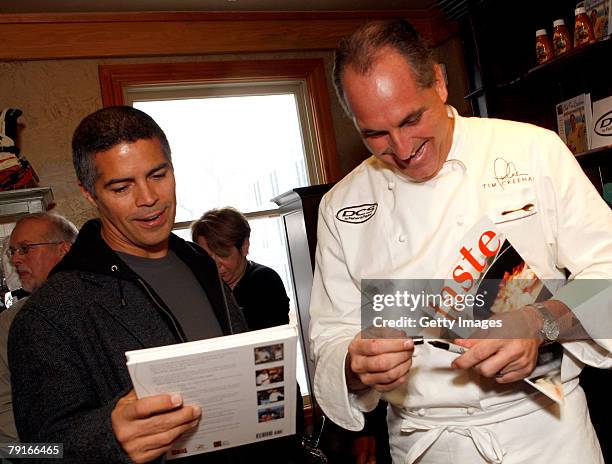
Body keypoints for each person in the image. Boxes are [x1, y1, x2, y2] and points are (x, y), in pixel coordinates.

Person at [309, 19, 612, 464]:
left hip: (546, 435)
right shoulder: (340, 207)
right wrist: (356, 365)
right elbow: (329, 338)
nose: (402, 146)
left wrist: (540, 322)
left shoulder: (533, 150)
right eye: (374, 133)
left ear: (439, 81)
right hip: (426, 443)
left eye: (411, 119)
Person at [8, 106, 249, 463]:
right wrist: (110, 436)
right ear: (90, 194)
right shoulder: (48, 314)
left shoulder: (200, 263)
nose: (148, 198)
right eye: (122, 187)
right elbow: (37, 451)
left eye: (158, 175)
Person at [0, 212, 77, 442]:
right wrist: (56, 453)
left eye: (25, 248)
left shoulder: (104, 305)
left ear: (64, 250)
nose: (15, 260)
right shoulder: (9, 323)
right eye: (12, 251)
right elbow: (4, 408)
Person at [191, 207, 289, 330]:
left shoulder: (265, 281)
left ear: (244, 247)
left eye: (223, 254)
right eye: (207, 257)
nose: (215, 265)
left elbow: (273, 347)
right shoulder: (198, 287)